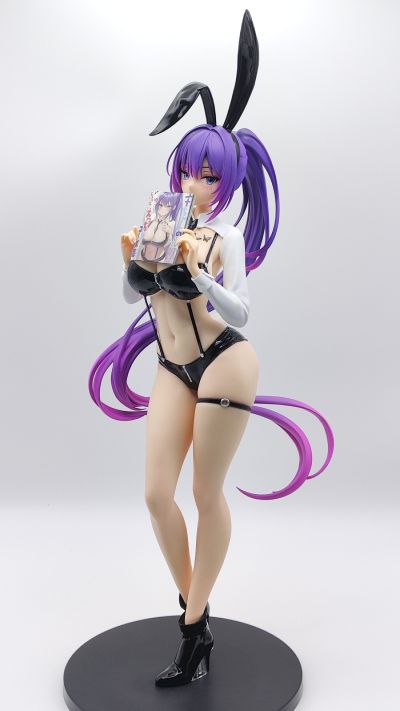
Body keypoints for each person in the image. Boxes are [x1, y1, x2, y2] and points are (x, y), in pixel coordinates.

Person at [89, 10, 334, 688]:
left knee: (204, 490)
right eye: (188, 172)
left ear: (225, 183)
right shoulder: (159, 222)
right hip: (173, 366)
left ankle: (193, 628)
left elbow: (242, 309)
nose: (194, 185)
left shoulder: (222, 238)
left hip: (226, 361)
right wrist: (137, 262)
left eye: (207, 176)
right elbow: (127, 296)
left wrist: (198, 277)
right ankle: (195, 615)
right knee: (154, 494)